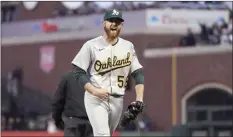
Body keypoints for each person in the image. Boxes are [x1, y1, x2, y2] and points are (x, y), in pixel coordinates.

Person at [71, 9, 145, 136]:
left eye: (118, 21)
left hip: (118, 100)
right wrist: (94, 90)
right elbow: (78, 72)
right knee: (103, 135)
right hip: (96, 98)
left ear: (122, 24)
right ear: (103, 23)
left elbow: (138, 73)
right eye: (111, 21)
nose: (114, 24)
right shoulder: (91, 45)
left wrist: (139, 100)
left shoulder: (128, 46)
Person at [52, 71, 93, 137]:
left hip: (72, 123)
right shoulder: (96, 78)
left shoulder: (67, 77)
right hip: (91, 123)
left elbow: (57, 101)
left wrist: (58, 121)